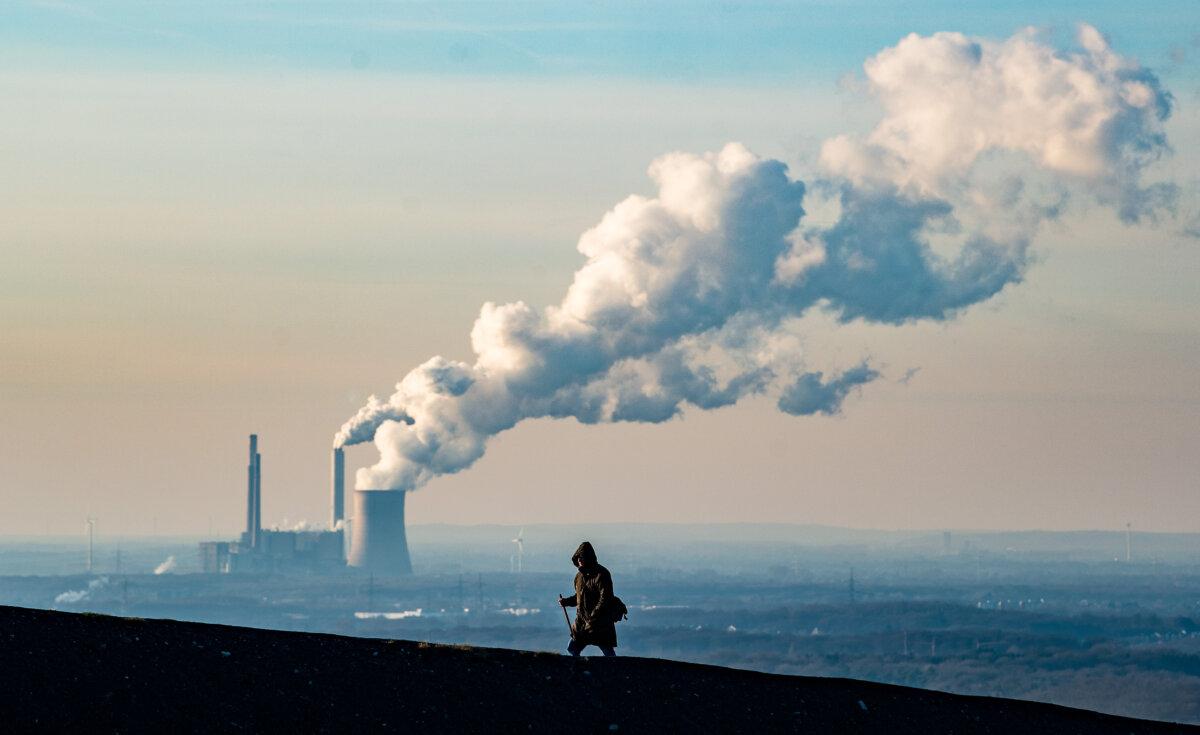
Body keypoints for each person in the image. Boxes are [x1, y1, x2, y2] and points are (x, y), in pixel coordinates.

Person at [559, 541, 617, 657]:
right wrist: (567, 602)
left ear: (588, 558)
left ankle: (614, 673)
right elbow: (580, 597)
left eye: (582, 557)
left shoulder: (601, 574)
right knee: (572, 649)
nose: (579, 560)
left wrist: (594, 616)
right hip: (582, 621)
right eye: (578, 557)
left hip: (600, 621)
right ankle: (579, 672)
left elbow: (605, 597)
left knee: (608, 652)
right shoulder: (579, 577)